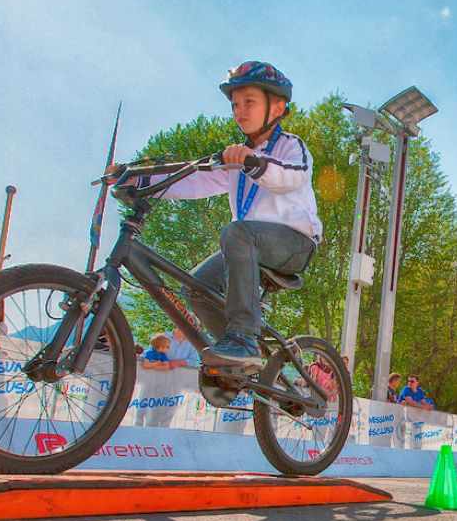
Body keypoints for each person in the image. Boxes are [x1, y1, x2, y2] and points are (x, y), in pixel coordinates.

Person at [109, 60, 320, 366]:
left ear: (276, 108)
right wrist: (135, 178)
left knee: (237, 232)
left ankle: (244, 337)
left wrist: (254, 162)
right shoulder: (235, 157)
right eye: (235, 104)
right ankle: (238, 359)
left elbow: (291, 176)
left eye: (249, 102)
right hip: (247, 244)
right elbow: (193, 180)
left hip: (295, 243)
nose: (240, 111)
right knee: (196, 287)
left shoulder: (291, 147)